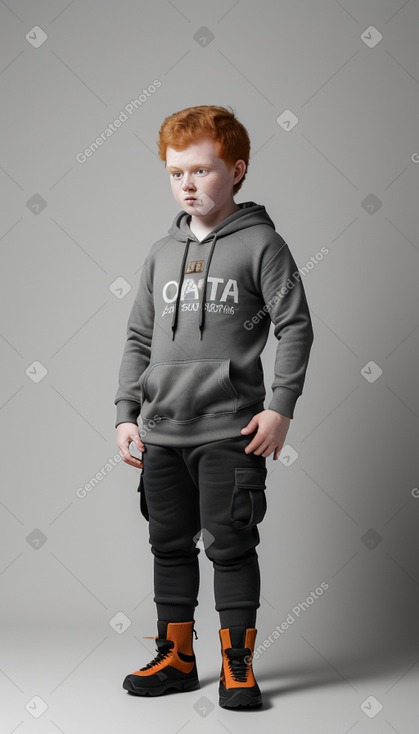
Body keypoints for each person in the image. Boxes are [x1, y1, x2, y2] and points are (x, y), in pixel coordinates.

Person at [114, 105, 314, 709]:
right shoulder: (159, 252)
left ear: (237, 170)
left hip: (231, 431)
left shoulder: (262, 245)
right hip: (161, 432)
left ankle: (238, 665)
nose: (188, 184)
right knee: (168, 545)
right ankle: (176, 656)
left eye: (202, 170)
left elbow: (296, 327)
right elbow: (138, 340)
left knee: (230, 546)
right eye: (177, 174)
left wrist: (280, 407)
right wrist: (126, 413)